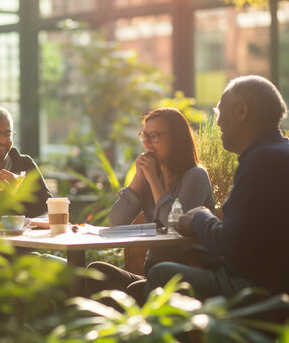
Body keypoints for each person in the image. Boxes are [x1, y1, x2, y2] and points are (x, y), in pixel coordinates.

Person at [145, 75, 289, 309]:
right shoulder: (278, 155)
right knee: (145, 285)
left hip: (277, 298)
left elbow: (230, 244)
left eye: (219, 112)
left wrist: (198, 218)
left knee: (161, 276)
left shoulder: (265, 161)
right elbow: (244, 244)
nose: (217, 123)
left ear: (241, 111)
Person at [86, 107, 218, 302]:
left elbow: (176, 226)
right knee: (95, 272)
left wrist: (155, 183)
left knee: (134, 291)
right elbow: (116, 221)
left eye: (154, 136)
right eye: (144, 135)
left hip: (183, 279)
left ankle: (135, 331)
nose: (146, 142)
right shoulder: (149, 177)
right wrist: (138, 181)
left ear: (176, 139)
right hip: (152, 274)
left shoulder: (195, 176)